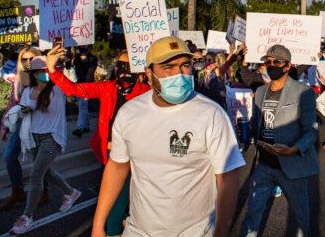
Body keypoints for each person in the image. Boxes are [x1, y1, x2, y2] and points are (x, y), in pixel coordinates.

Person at [91, 36, 244, 237]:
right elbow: (117, 167)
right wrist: (97, 225)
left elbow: (227, 177)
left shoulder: (211, 114)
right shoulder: (129, 113)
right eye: (168, 67)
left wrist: (221, 233)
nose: (179, 74)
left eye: (185, 65)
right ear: (148, 74)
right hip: (139, 232)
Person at [47, 48, 151, 237]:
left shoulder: (146, 92)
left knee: (114, 208)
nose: (125, 70)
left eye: (130, 66)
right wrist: (53, 71)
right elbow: (75, 89)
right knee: (119, 201)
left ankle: (113, 230)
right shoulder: (107, 88)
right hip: (109, 155)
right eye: (121, 65)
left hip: (133, 158)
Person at [241, 45, 319, 237]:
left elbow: (311, 132)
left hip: (291, 167)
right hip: (264, 166)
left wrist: (292, 149)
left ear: (287, 66)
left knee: (301, 218)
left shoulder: (303, 92)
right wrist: (247, 132)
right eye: (267, 62)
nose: (271, 65)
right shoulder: (259, 91)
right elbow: (256, 123)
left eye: (277, 62)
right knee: (252, 214)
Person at [10, 56, 81, 235]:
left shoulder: (57, 89)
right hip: (34, 137)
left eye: (46, 70)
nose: (44, 73)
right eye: (40, 71)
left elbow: (69, 86)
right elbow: (24, 109)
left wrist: (61, 62)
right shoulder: (28, 90)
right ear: (33, 74)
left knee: (36, 174)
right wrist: (23, 110)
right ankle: (71, 192)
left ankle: (27, 216)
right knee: (45, 171)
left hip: (52, 137)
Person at [0, 47, 45, 211]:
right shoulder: (19, 78)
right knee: (9, 155)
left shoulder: (43, 76)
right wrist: (4, 126)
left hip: (40, 122)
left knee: (39, 160)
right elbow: (12, 103)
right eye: (24, 59)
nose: (27, 63)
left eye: (31, 59)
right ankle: (17, 192)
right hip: (22, 122)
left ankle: (44, 192)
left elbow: (50, 101)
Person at [70, 46, 98, 138]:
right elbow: (68, 66)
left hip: (87, 85)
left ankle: (80, 127)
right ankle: (86, 126)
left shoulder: (92, 59)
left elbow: (90, 71)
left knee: (82, 105)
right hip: (79, 85)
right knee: (83, 106)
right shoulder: (76, 58)